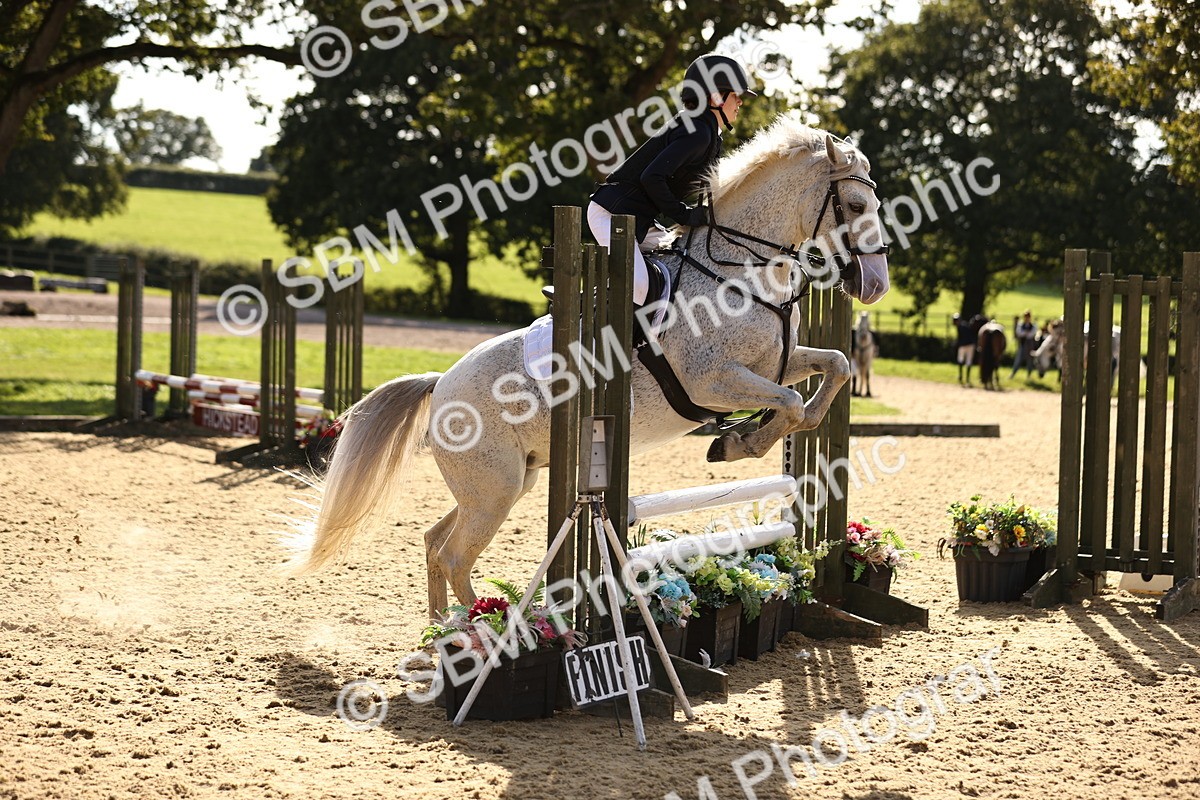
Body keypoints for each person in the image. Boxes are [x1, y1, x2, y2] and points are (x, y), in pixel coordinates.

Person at [587, 53, 756, 307]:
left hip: (638, 221)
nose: (740, 102)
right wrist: (685, 216)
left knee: (677, 261)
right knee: (642, 289)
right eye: (735, 95)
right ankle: (613, 333)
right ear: (716, 97)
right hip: (612, 215)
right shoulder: (697, 133)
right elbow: (651, 177)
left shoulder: (708, 133)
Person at [1010, 310, 1037, 377]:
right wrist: (1026, 333)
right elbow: (1019, 333)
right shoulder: (1021, 325)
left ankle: (1029, 375)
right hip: (1022, 344)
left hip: (1030, 345)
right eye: (1025, 317)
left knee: (1030, 361)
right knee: (1018, 359)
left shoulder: (1033, 325)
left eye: (1028, 317)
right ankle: (1013, 373)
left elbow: (1031, 334)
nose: (1027, 318)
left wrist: (1024, 333)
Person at [954, 312, 976, 384]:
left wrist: (957, 344)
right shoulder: (965, 325)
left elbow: (960, 338)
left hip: (965, 345)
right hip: (970, 345)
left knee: (962, 360)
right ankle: (965, 377)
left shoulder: (961, 326)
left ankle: (963, 377)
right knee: (967, 361)